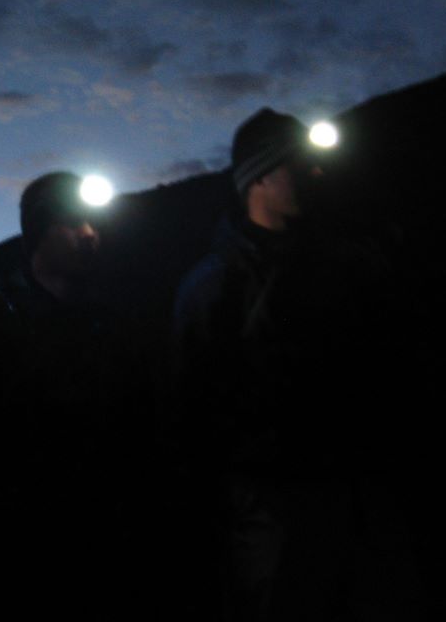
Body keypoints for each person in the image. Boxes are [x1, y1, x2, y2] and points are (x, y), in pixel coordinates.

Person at [172, 109, 418, 621]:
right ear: (259, 177)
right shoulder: (214, 287)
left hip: (355, 496)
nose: (316, 173)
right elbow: (191, 408)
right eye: (298, 165)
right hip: (268, 512)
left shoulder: (347, 263)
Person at [0, 172, 155, 622]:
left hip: (100, 540)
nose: (89, 234)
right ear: (38, 233)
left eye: (94, 223)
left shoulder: (113, 325)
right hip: (14, 550)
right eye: (71, 223)